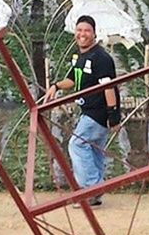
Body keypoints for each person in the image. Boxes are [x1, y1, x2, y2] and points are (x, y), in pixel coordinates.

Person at [44, 15, 120, 207]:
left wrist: (113, 114)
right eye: (79, 30)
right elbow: (72, 79)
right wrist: (55, 86)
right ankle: (95, 192)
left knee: (77, 145)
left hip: (98, 112)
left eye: (86, 30)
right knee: (94, 150)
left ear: (94, 33)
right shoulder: (79, 56)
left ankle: (89, 189)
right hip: (87, 110)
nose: (82, 34)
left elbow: (109, 87)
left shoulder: (101, 58)